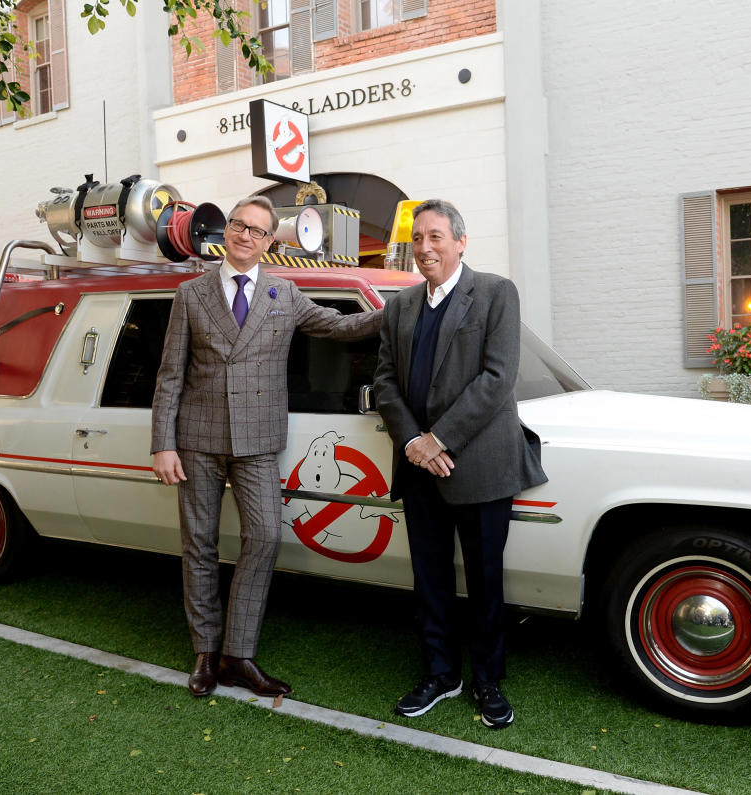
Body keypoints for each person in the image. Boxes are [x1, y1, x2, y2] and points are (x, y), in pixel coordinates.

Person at [152, 195, 383, 697]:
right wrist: (163, 444)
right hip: (197, 439)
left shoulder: (284, 292)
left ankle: (239, 654)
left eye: (258, 231)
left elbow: (340, 325)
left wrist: (403, 310)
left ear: (268, 242)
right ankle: (205, 654)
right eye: (239, 225)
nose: (246, 236)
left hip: (258, 440)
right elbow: (170, 375)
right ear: (226, 231)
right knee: (199, 546)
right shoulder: (191, 294)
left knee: (264, 536)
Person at [374, 199, 547, 729]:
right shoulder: (399, 306)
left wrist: (438, 439)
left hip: (478, 462)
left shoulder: (495, 293)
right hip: (419, 465)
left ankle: (488, 681)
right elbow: (384, 381)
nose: (426, 248)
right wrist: (413, 442)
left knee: (485, 580)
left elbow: (497, 379)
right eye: (419, 238)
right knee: (429, 579)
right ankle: (440, 674)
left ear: (460, 241)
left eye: (437, 237)